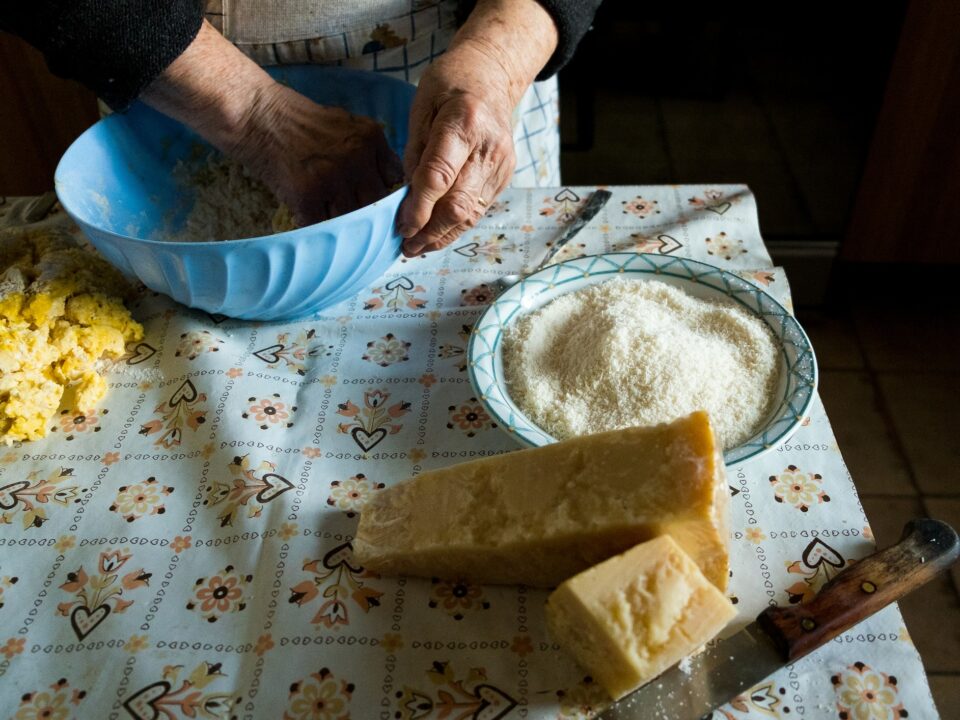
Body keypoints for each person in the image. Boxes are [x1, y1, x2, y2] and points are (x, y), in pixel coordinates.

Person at [2, 1, 601, 256]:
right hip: (171, 75)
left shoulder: (490, 70)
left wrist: (497, 63)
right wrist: (256, 115)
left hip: (474, 64)